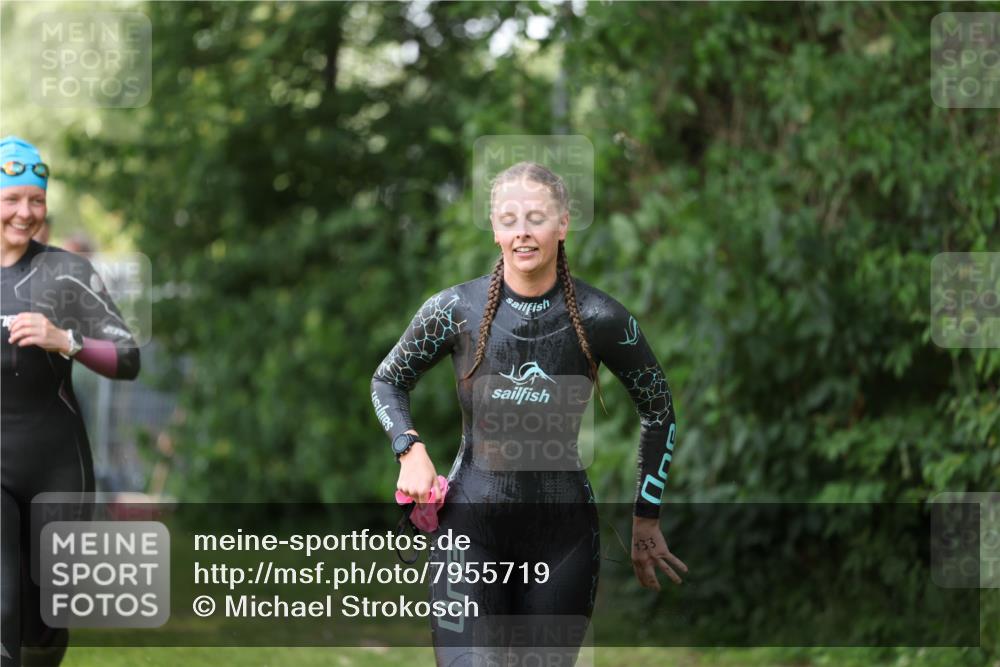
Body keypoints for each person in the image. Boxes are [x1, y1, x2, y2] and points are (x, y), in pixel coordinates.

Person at [371, 161, 687, 666]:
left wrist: (645, 520)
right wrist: (409, 448)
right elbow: (388, 379)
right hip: (470, 532)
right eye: (510, 218)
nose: (523, 231)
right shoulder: (455, 310)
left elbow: (659, 410)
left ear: (563, 225)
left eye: (536, 217)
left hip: (561, 542)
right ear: (495, 228)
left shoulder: (601, 318)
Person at [1, 136, 141, 666]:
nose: (26, 211)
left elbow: (129, 359)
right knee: (2, 602)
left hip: (56, 464)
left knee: (43, 623)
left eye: (36, 200)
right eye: (12, 198)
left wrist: (66, 340)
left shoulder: (67, 272)